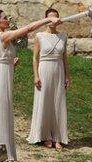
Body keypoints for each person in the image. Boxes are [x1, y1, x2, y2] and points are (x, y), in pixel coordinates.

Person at [0, 9, 62, 160]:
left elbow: (0, 61)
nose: (7, 20)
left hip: (1, 81)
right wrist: (48, 20)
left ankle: (0, 157)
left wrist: (11, 65)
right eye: (4, 18)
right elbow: (28, 29)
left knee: (2, 118)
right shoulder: (2, 36)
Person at [27, 8, 69, 149]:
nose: (53, 20)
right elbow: (34, 58)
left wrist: (67, 76)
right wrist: (36, 75)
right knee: (44, 101)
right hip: (44, 69)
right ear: (46, 19)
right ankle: (45, 136)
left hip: (58, 70)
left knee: (57, 102)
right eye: (50, 18)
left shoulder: (63, 36)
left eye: (55, 17)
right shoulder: (39, 36)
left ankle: (57, 136)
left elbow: (65, 58)